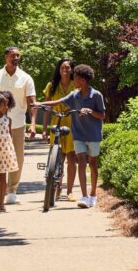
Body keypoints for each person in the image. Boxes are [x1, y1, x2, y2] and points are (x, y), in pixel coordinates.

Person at [34, 64, 105, 209]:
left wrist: (90, 112)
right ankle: (84, 196)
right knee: (82, 163)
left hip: (93, 135)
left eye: (77, 78)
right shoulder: (74, 95)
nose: (74, 80)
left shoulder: (96, 95)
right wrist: (39, 104)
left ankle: (93, 195)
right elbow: (57, 102)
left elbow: (102, 115)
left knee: (92, 164)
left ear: (83, 80)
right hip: (78, 135)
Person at [0, 46, 37, 205]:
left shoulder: (26, 78)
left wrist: (33, 124)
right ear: (6, 56)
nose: (16, 58)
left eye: (18, 55)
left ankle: (12, 191)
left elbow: (32, 104)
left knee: (17, 158)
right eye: (13, 55)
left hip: (18, 124)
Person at [41, 58, 77, 201]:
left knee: (71, 158)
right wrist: (44, 129)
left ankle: (70, 191)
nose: (65, 70)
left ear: (72, 69)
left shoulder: (77, 85)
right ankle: (56, 187)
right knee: (57, 158)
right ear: (58, 69)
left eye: (68, 67)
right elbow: (47, 108)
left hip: (72, 123)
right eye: (62, 67)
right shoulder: (51, 85)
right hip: (56, 122)